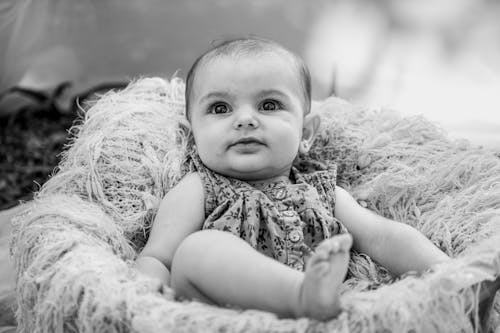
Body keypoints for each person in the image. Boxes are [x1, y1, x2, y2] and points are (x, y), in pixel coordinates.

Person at [134, 37, 484, 320]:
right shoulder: (197, 188)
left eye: (269, 105)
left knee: (386, 235)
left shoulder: (320, 190)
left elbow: (381, 236)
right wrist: (143, 297)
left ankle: (457, 279)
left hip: (322, 307)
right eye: (219, 108)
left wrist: (447, 272)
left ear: (307, 133)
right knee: (197, 250)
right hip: (217, 306)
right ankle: (300, 294)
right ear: (193, 134)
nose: (244, 119)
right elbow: (159, 257)